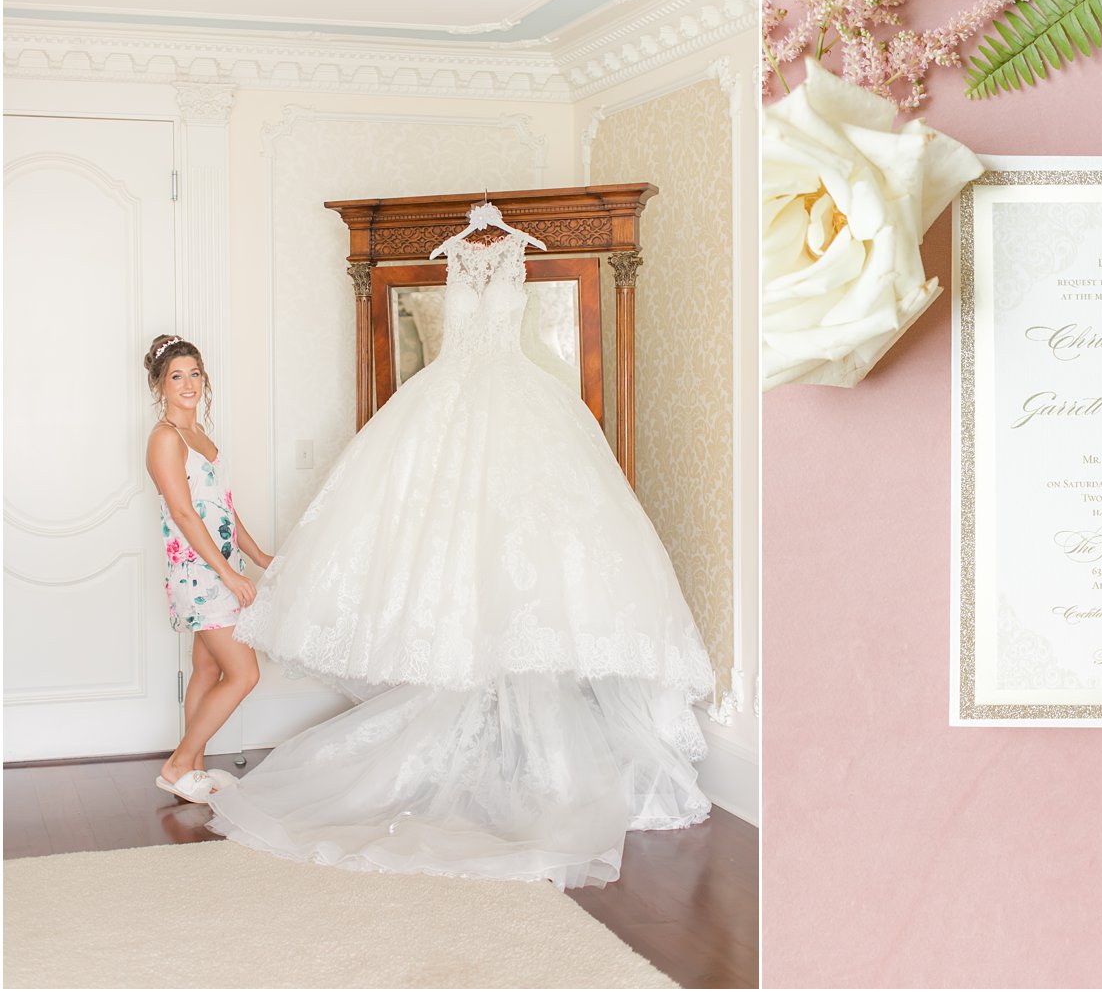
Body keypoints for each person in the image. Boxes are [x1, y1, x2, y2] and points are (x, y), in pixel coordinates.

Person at [207, 204, 714, 887]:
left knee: (525, 552)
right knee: (449, 543)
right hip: (448, 401)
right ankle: (478, 745)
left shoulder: (519, 250)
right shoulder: (450, 254)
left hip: (521, 404)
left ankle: (524, 755)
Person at [142, 335, 271, 803]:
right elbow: (184, 514)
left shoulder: (201, 436)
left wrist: (255, 557)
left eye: (194, 373)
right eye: (177, 376)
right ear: (160, 385)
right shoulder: (164, 439)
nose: (188, 383)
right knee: (244, 673)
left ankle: (192, 768)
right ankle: (178, 763)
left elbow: (221, 508)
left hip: (219, 564)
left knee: (206, 667)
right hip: (198, 572)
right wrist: (228, 575)